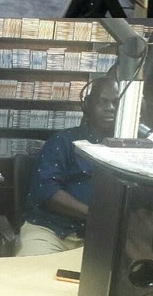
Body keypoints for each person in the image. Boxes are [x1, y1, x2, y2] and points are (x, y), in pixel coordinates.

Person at [16, 72, 120, 257]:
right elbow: (48, 192)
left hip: (100, 238)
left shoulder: (132, 150)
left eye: (116, 103)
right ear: (87, 104)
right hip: (50, 230)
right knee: (34, 271)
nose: (110, 108)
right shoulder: (63, 141)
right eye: (103, 102)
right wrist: (95, 214)